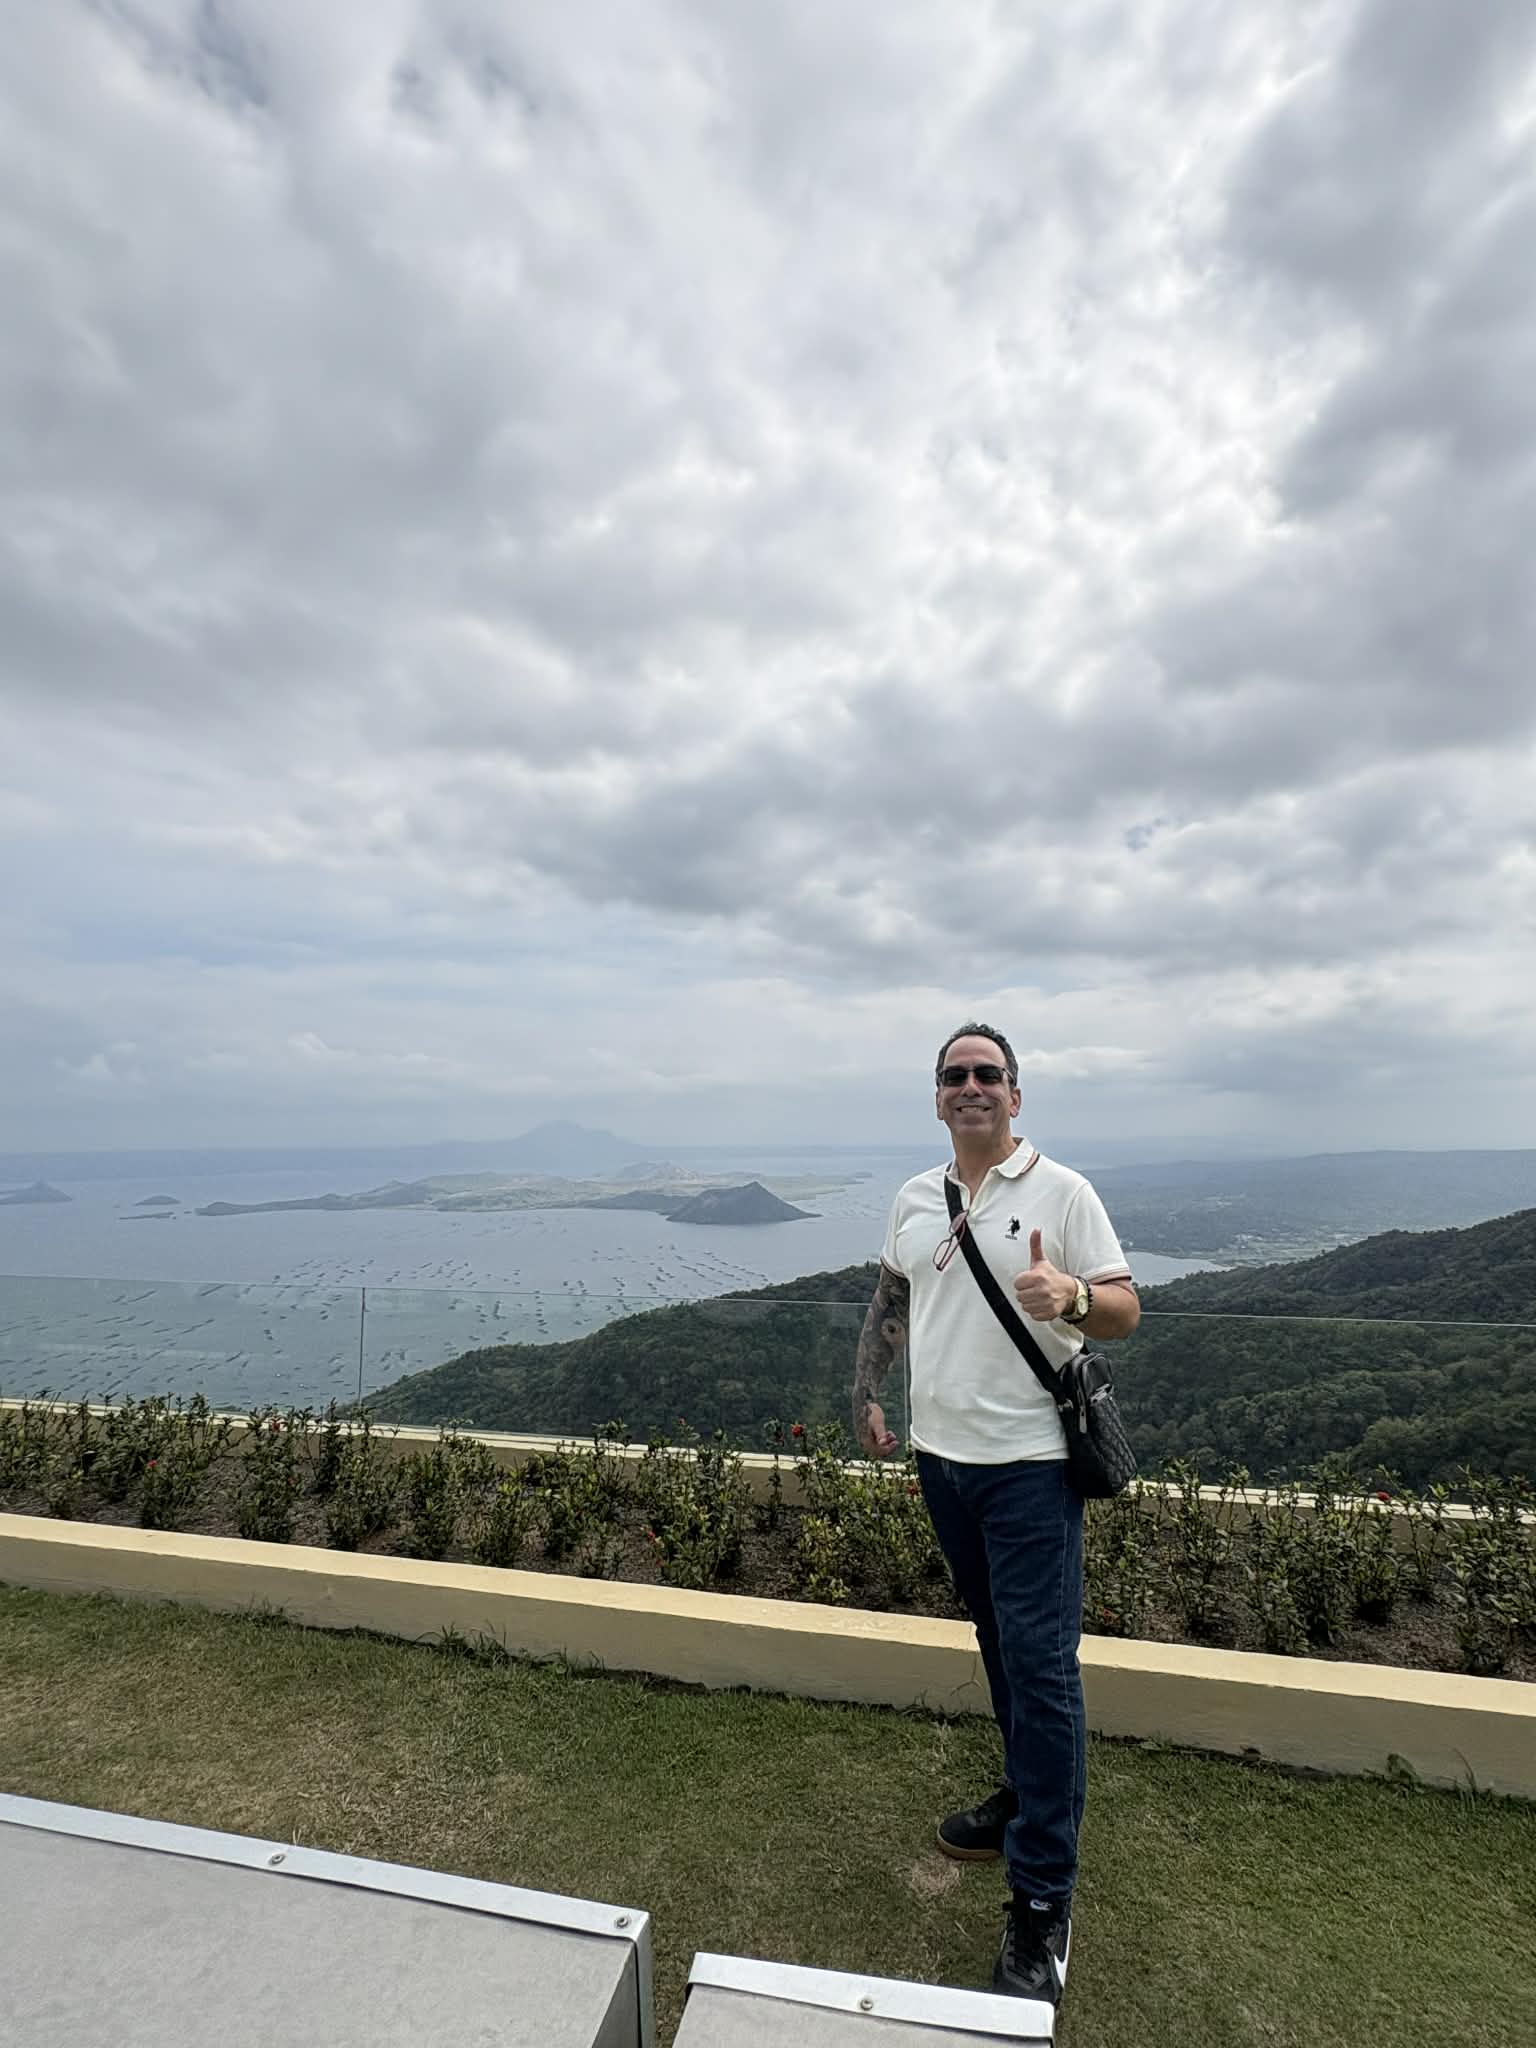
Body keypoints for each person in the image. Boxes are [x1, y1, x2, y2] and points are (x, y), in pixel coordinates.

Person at [852, 1022, 1140, 2010]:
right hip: (945, 1463)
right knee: (998, 1641)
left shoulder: (1063, 1193)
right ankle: (1025, 1796)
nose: (970, 1085)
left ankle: (1043, 1897)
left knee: (1042, 1663)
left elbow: (1126, 1308)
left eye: (988, 1073)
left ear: (1015, 1095)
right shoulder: (913, 1199)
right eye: (954, 1074)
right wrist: (869, 1392)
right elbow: (891, 1301)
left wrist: (1071, 1294)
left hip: (1030, 1470)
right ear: (938, 1097)